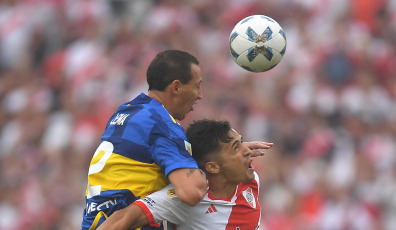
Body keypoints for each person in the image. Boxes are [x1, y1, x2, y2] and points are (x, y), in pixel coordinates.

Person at [82, 50, 270, 230]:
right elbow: (191, 191)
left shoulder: (128, 111)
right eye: (196, 86)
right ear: (176, 87)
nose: (200, 95)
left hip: (97, 217)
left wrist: (231, 154)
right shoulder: (163, 126)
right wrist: (227, 158)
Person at [97, 119, 274, 230]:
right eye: (237, 147)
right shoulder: (185, 198)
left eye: (242, 143)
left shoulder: (249, 180)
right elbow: (125, 217)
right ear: (213, 167)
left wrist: (234, 154)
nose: (247, 151)